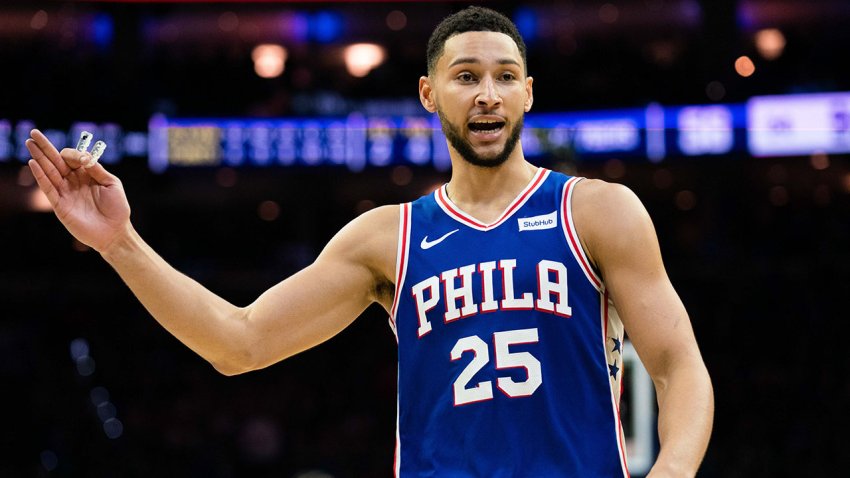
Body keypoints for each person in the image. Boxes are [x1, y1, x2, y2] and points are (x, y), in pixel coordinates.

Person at [26, 6, 713, 477]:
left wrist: (675, 469)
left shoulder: (598, 211)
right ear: (428, 93)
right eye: (466, 76)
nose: (487, 94)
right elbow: (237, 342)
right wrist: (121, 243)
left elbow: (679, 365)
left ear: (528, 94)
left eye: (505, 77)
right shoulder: (389, 237)